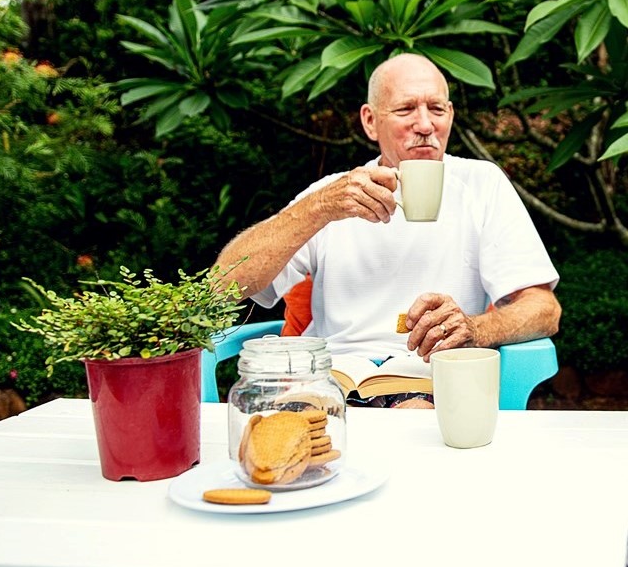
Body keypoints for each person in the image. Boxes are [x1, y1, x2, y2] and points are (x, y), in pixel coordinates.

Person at [215, 53, 561, 409]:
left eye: (437, 110)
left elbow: (544, 309)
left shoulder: (481, 184)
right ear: (370, 121)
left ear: (451, 116)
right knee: (296, 434)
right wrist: (318, 209)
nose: (425, 125)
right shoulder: (335, 192)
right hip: (329, 379)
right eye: (406, 109)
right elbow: (224, 286)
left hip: (428, 376)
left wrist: (475, 330)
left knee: (415, 423)